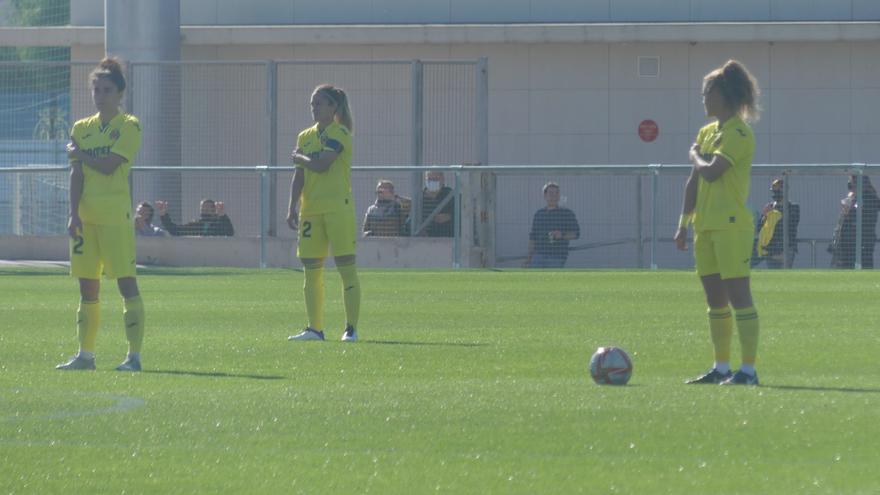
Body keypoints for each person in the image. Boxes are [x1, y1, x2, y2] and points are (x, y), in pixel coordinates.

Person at [674, 59, 762, 386]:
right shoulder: (707, 132)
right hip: (706, 227)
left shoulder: (739, 132)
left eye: (706, 93)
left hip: (731, 226)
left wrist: (693, 155)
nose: (702, 99)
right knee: (715, 300)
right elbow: (693, 182)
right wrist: (683, 223)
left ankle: (749, 370)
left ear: (721, 94)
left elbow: (710, 171)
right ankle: (721, 367)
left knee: (739, 296)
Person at [58, 57, 145, 372]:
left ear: (119, 93)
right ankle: (85, 355)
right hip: (86, 218)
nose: (100, 95)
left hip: (114, 217)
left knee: (125, 283)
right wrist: (73, 213)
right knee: (87, 286)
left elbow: (110, 165)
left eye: (107, 90)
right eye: (96, 90)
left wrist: (79, 154)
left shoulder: (129, 125)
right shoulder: (82, 128)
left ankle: (133, 357)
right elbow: (76, 174)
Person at [286, 84, 361, 342]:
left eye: (319, 103)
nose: (314, 107)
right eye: (312, 103)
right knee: (311, 270)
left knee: (345, 267)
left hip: (337, 209)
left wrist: (301, 158)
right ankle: (314, 329)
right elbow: (300, 177)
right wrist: (292, 206)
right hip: (311, 211)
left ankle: (350, 328)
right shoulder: (304, 136)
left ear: (334, 107)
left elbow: (321, 165)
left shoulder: (339, 133)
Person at [523, 182, 580, 268]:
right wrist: (528, 258)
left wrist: (562, 235)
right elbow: (533, 237)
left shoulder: (566, 213)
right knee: (534, 279)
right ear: (545, 195)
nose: (554, 196)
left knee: (552, 279)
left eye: (557, 193)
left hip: (557, 256)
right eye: (551, 193)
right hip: (538, 255)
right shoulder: (539, 214)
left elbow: (576, 234)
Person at [829, 175, 880, 269]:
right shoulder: (854, 199)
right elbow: (843, 221)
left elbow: (864, 218)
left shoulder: (870, 198)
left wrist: (851, 208)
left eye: (852, 185)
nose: (851, 188)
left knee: (864, 266)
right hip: (849, 242)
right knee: (845, 267)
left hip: (862, 242)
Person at [752, 178, 799, 269]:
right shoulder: (770, 207)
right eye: (774, 191)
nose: (775, 193)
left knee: (785, 275)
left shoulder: (793, 207)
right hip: (771, 249)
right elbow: (759, 228)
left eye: (777, 190)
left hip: (786, 248)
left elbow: (792, 225)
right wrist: (765, 215)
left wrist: (777, 212)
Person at [155, 198, 234, 236]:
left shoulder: (219, 224)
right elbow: (175, 230)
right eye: (202, 208)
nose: (204, 210)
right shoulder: (196, 225)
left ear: (214, 209)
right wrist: (163, 214)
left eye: (207, 208)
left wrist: (222, 215)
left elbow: (230, 232)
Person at [419, 170, 455, 237]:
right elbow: (411, 219)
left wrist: (450, 217)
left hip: (446, 237)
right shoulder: (420, 197)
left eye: (435, 179)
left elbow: (463, 215)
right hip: (423, 239)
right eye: (429, 179)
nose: (432, 181)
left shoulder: (451, 196)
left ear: (442, 180)